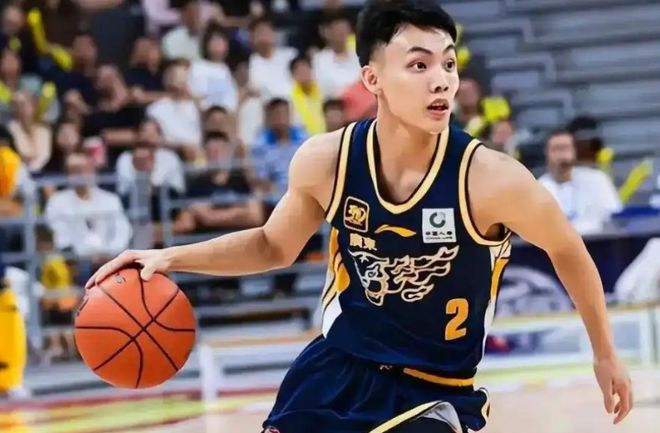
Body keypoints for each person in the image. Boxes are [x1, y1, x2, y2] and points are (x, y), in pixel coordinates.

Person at [87, 1, 632, 432]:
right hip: (334, 370)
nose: (441, 80)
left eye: (448, 63)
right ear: (372, 79)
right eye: (418, 64)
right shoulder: (328, 161)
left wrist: (604, 353)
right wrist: (169, 257)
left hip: (433, 391)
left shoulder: (491, 179)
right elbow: (274, 245)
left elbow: (567, 248)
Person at [538, 129, 622, 235]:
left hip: (597, 240)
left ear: (574, 151)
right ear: (546, 153)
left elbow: (614, 216)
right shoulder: (537, 189)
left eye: (566, 148)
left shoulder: (597, 179)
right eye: (556, 149)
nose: (562, 155)